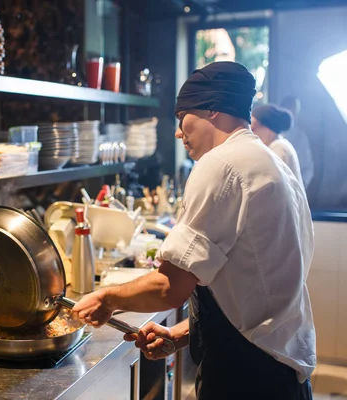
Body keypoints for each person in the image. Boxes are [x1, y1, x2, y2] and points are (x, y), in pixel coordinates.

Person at [71, 61, 315, 400]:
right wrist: (181, 334)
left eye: (183, 117)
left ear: (213, 110)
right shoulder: (272, 164)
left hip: (246, 380)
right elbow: (256, 292)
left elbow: (170, 287)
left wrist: (106, 298)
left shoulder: (220, 163)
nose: (178, 131)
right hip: (281, 375)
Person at [252, 103, 305, 187]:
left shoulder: (279, 147)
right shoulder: (279, 145)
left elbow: (269, 182)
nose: (251, 133)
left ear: (268, 129)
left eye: (253, 128)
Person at [280, 95, 315, 189]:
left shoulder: (301, 137)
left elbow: (308, 167)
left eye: (294, 110)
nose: (291, 113)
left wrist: (300, 185)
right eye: (288, 108)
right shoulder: (271, 133)